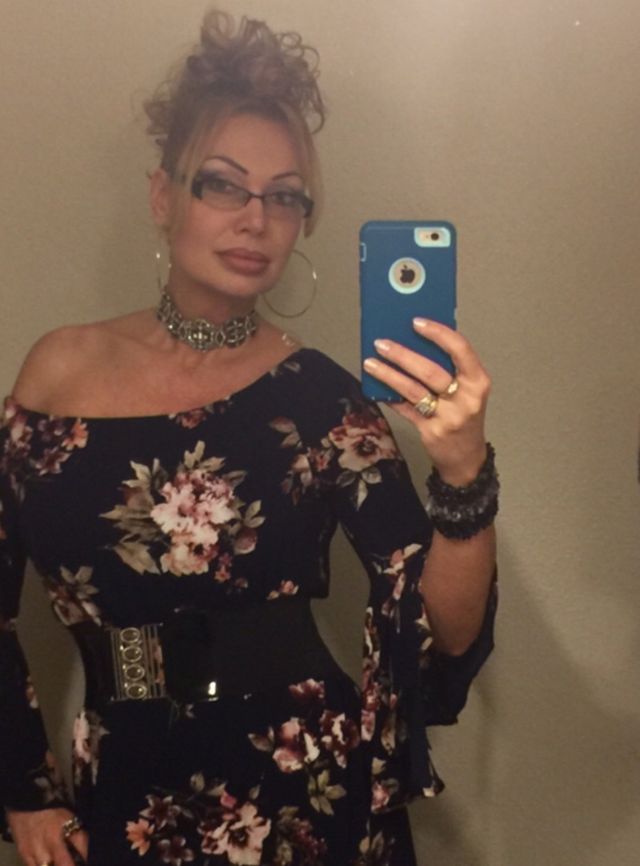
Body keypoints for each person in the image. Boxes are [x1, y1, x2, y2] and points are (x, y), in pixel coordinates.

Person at [0, 10, 498, 866]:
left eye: (285, 195)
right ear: (164, 197)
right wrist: (24, 790)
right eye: (223, 186)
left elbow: (441, 631)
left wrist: (464, 475)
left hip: (307, 791)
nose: (256, 218)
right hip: (126, 782)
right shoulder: (58, 372)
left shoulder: (317, 396)